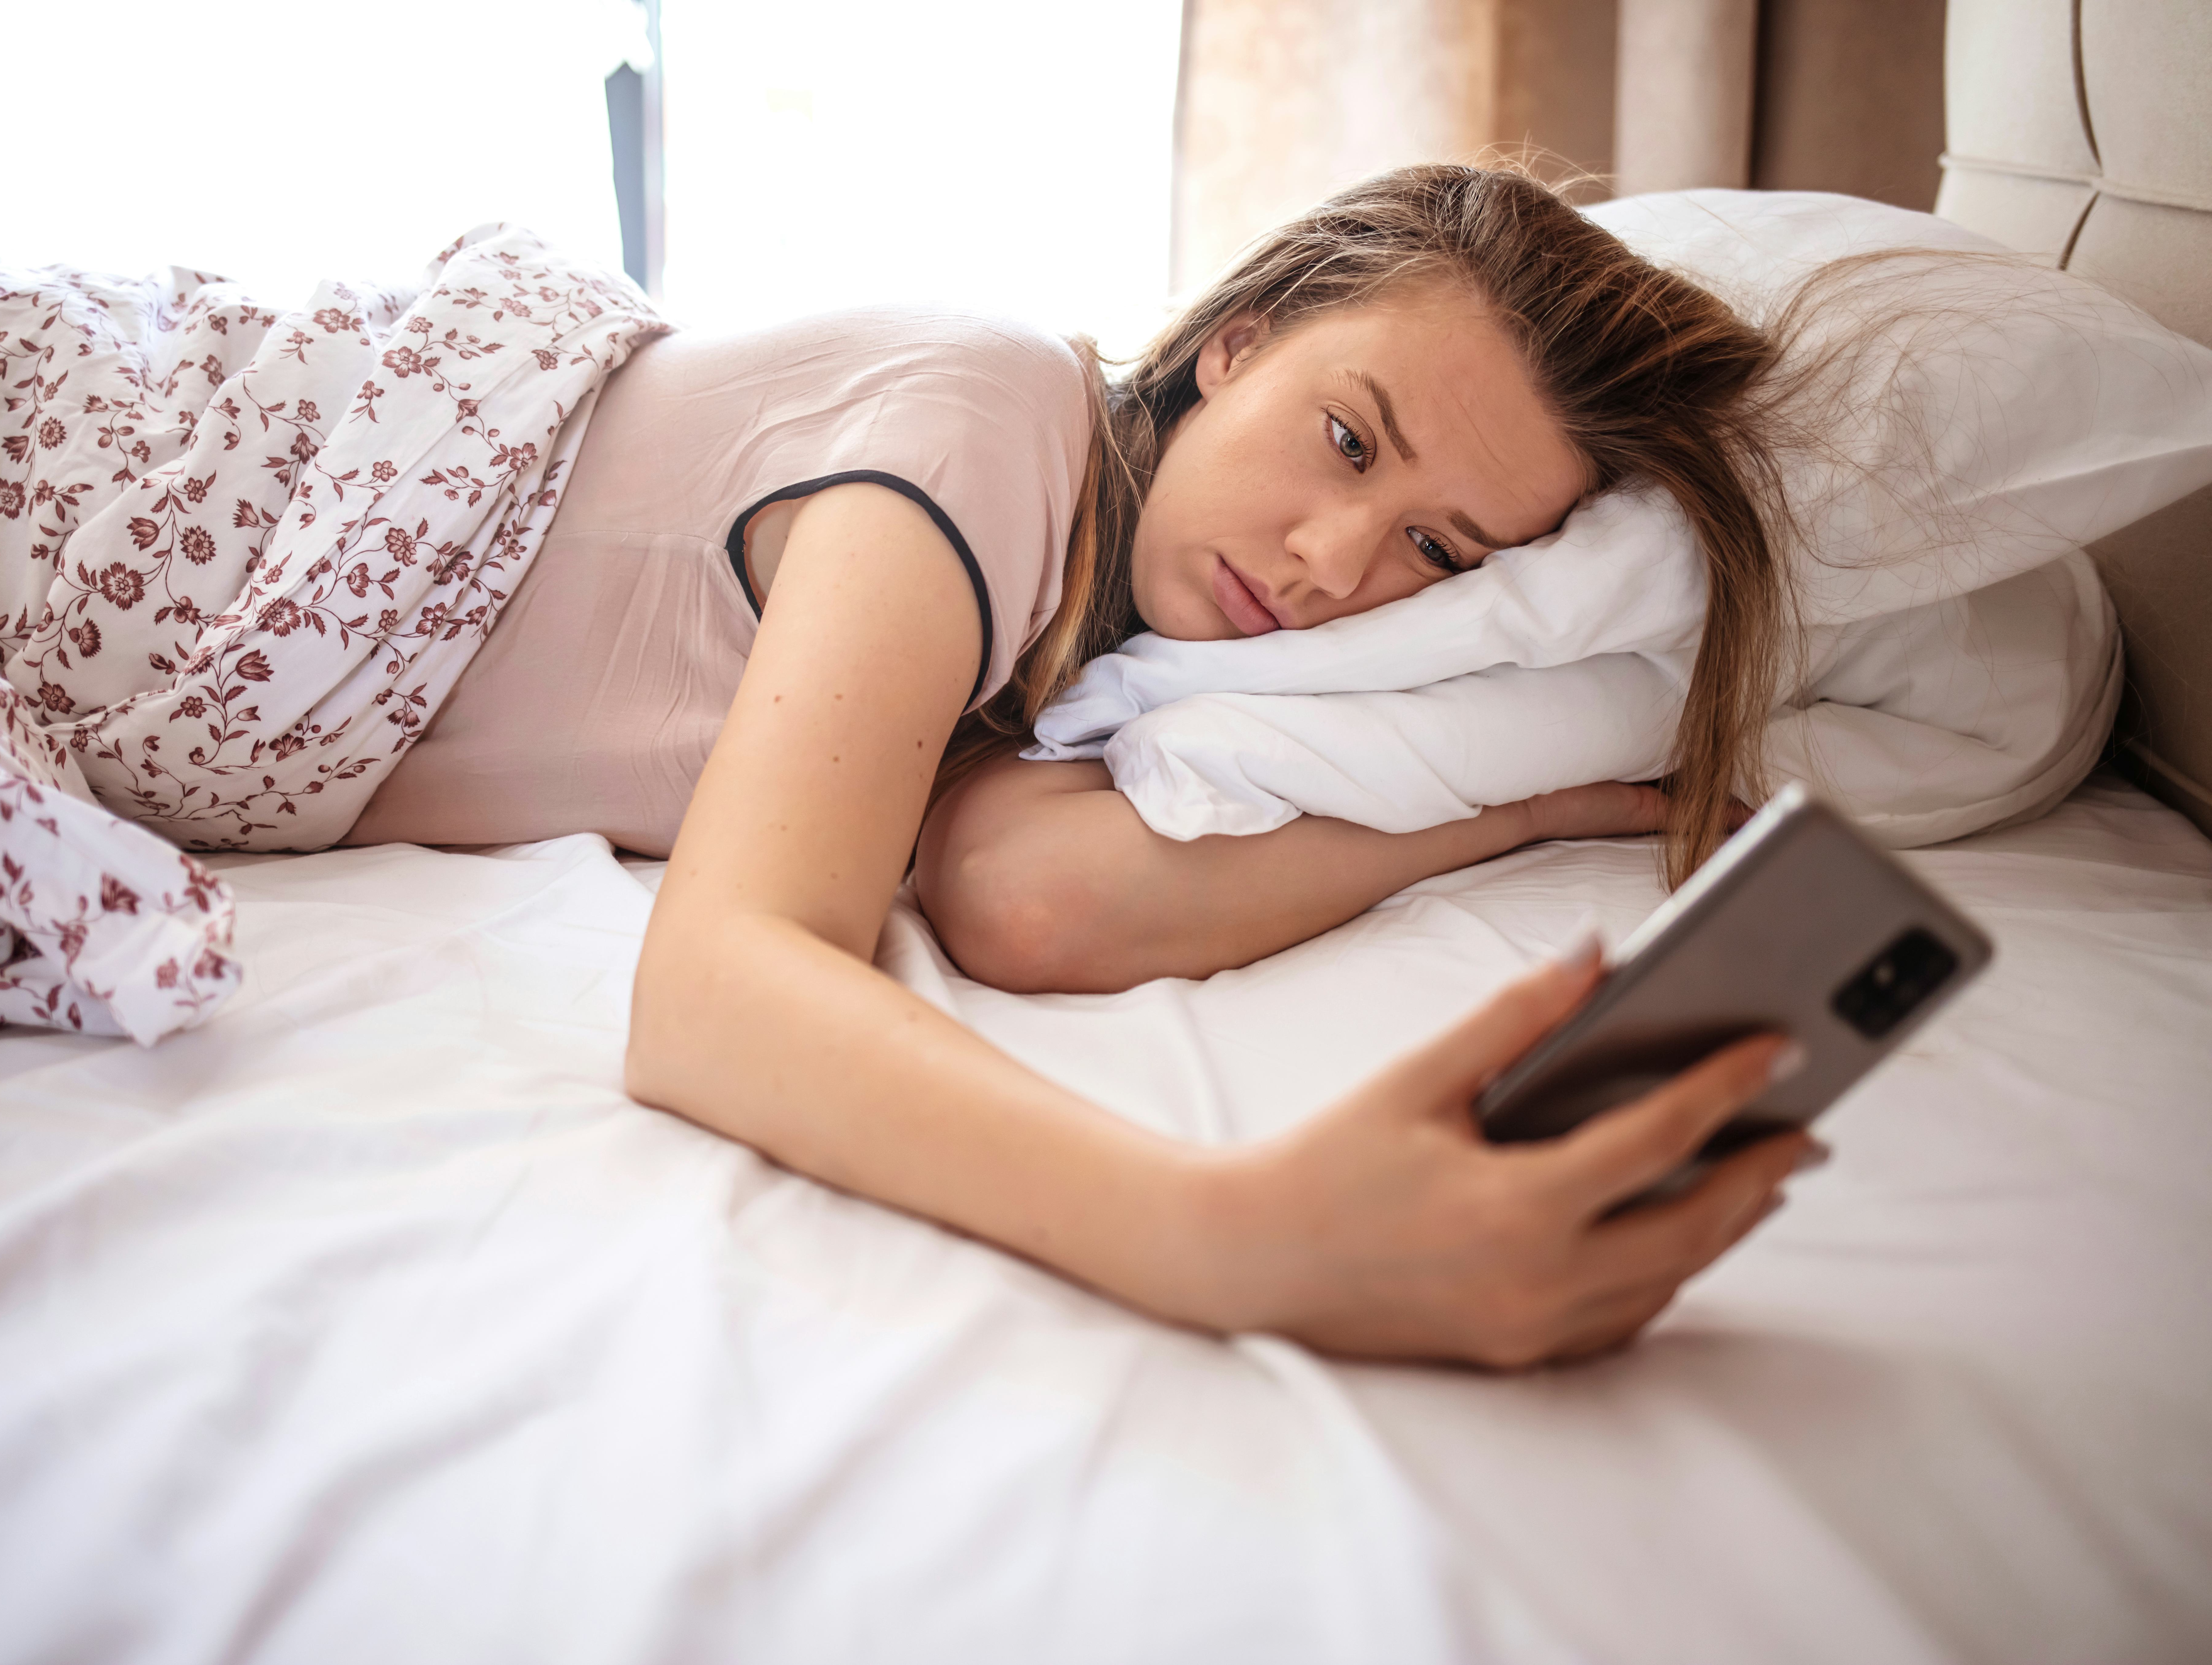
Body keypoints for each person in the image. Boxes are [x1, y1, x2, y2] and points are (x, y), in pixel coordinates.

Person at [343, 163, 1819, 1367]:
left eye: (1436, 551)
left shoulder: (1088, 645)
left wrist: (1523, 806)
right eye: (1346, 440)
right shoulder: (987, 425)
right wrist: (1242, 1237)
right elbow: (709, 995)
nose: (1327, 564)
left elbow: (1028, 898)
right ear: (1235, 342)